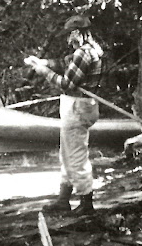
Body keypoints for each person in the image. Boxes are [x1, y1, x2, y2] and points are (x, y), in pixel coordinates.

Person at [24, 15, 103, 215]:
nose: (68, 40)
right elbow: (62, 63)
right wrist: (41, 62)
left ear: (78, 33)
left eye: (70, 35)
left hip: (78, 107)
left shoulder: (84, 54)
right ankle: (63, 200)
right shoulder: (86, 51)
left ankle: (86, 204)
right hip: (79, 107)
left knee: (76, 155)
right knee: (67, 153)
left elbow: (68, 84)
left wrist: (43, 72)